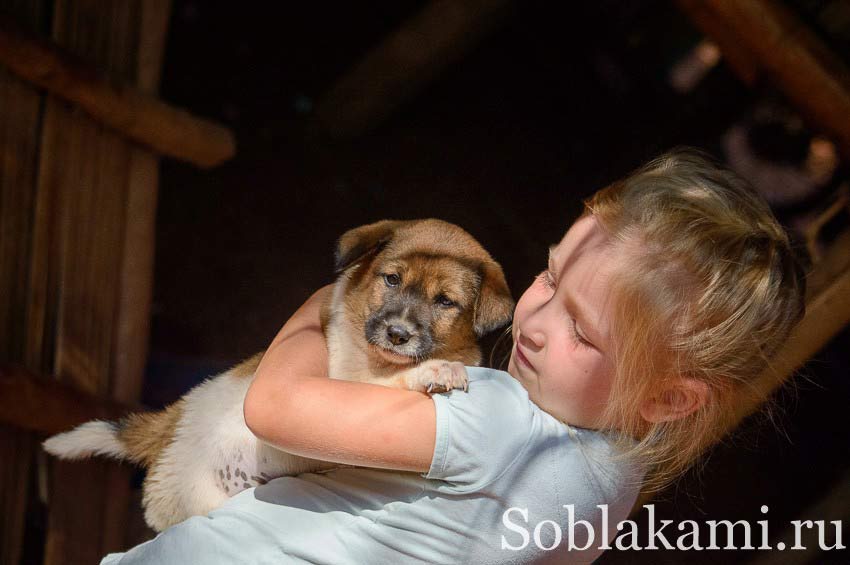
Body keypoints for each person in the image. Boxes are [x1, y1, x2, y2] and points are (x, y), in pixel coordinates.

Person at [100, 148, 806, 564]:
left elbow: (275, 407)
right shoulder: (607, 489)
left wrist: (324, 307)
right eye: (551, 277)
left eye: (583, 332)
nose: (532, 322)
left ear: (668, 398)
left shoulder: (490, 418)